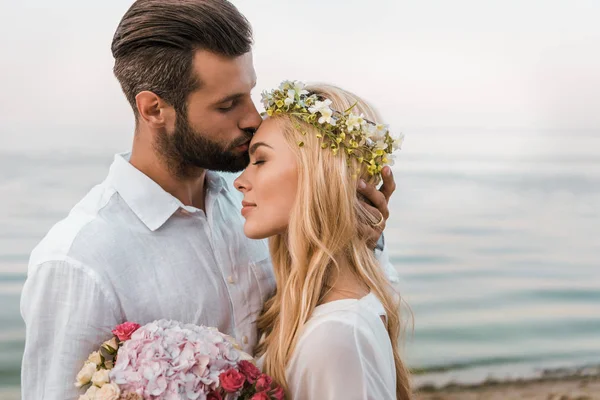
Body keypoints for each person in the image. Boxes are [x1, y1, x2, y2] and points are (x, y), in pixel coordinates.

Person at [19, 1, 398, 399]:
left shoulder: (257, 207)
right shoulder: (81, 262)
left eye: (248, 93)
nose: (253, 118)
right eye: (227, 104)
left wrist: (360, 236)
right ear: (154, 109)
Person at [234, 82, 411, 399]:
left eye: (260, 160)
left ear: (320, 173)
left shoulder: (336, 336)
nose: (239, 181)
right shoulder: (330, 311)